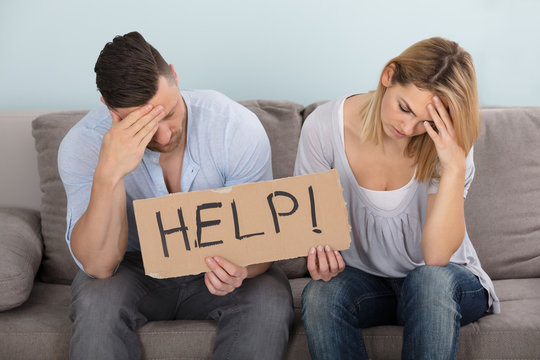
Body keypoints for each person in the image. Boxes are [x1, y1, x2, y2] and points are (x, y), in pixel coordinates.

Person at [58, 31, 293, 360]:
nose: (164, 135)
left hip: (216, 262)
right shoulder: (82, 143)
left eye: (167, 113)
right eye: (142, 125)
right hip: (132, 269)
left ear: (175, 75)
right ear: (110, 110)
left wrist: (241, 268)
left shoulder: (236, 127)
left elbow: (262, 245)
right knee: (96, 300)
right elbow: (99, 266)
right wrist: (109, 173)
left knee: (269, 294)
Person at [295, 37, 500, 360]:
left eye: (427, 121)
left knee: (427, 282)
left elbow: (435, 258)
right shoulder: (323, 127)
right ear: (388, 75)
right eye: (404, 108)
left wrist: (453, 168)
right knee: (321, 295)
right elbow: (311, 230)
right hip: (368, 284)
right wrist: (319, 252)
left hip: (447, 283)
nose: (409, 127)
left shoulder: (448, 144)